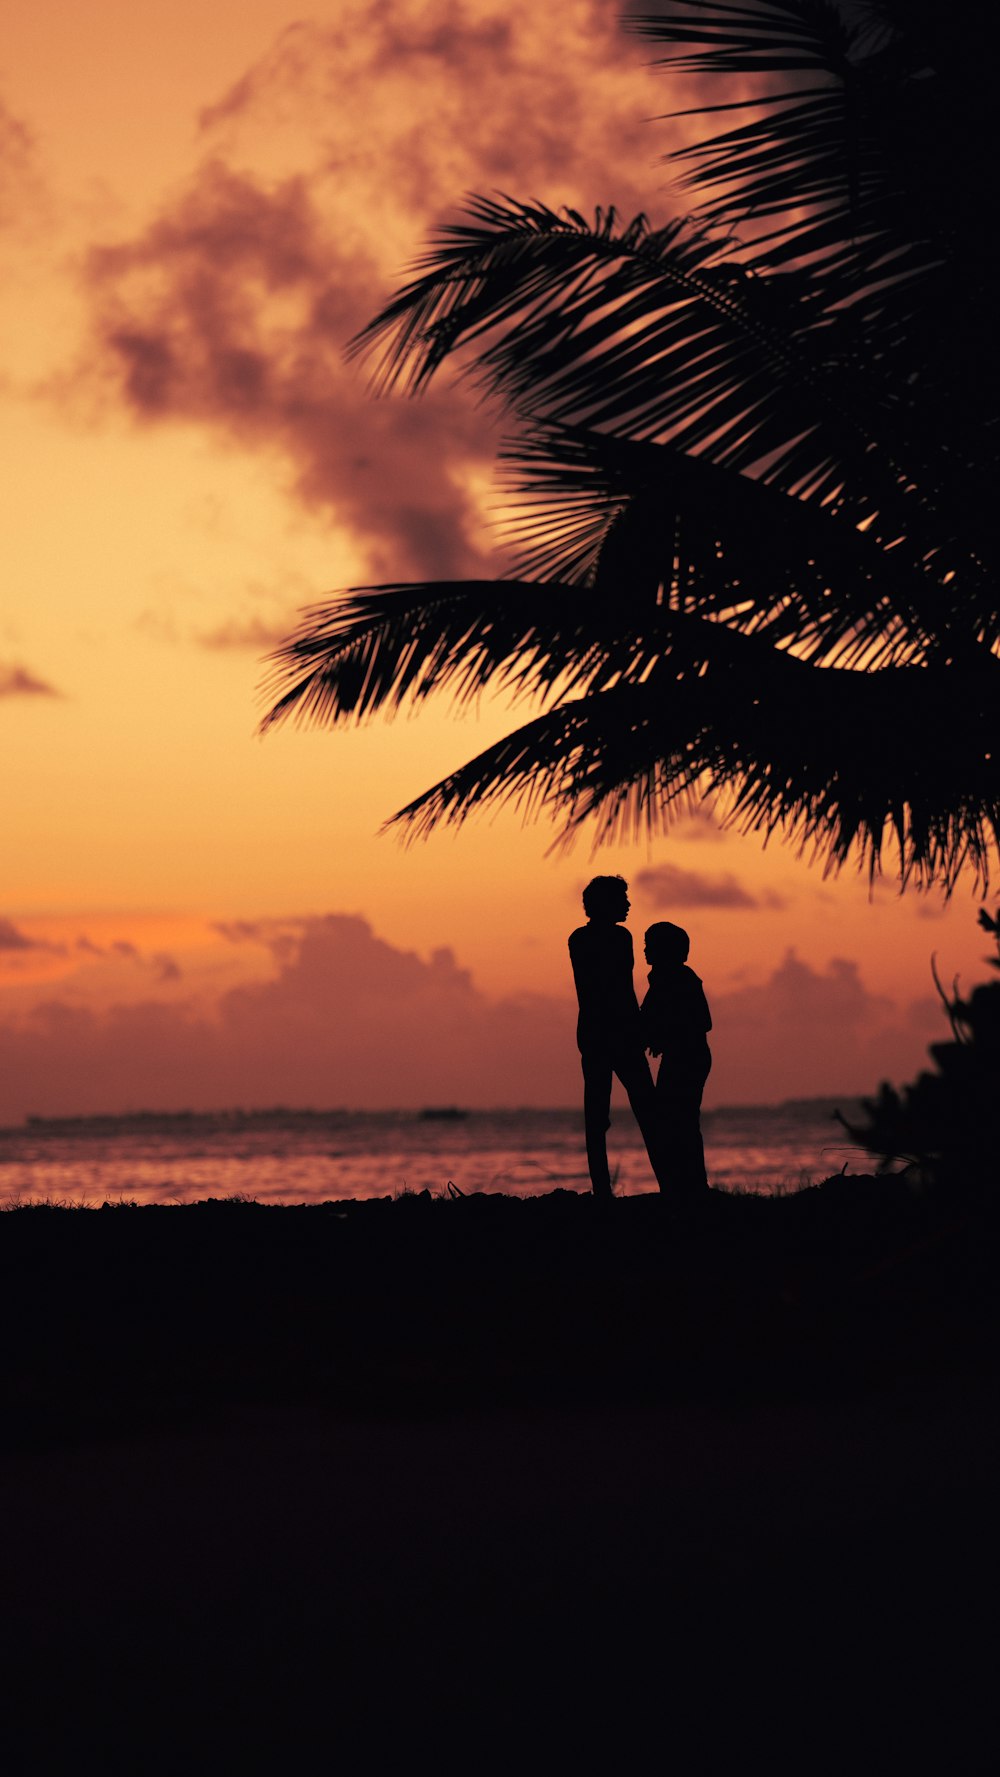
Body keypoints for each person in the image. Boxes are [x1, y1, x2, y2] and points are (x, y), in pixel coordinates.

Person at [568, 875, 668, 1199]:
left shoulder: (585, 939)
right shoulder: (610, 939)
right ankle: (659, 1185)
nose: (627, 904)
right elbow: (619, 992)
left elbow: (619, 990)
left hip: (604, 1033)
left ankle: (606, 1190)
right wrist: (641, 1029)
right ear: (605, 903)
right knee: (640, 1111)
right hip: (614, 1033)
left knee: (609, 1116)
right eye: (621, 899)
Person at [641, 921, 712, 1195]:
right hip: (683, 1056)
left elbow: (703, 1021)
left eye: (650, 945)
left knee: (681, 1120)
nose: (645, 951)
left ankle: (692, 1184)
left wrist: (663, 1035)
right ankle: (688, 1183)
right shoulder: (663, 978)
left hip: (688, 1058)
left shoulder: (680, 978)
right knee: (678, 1120)